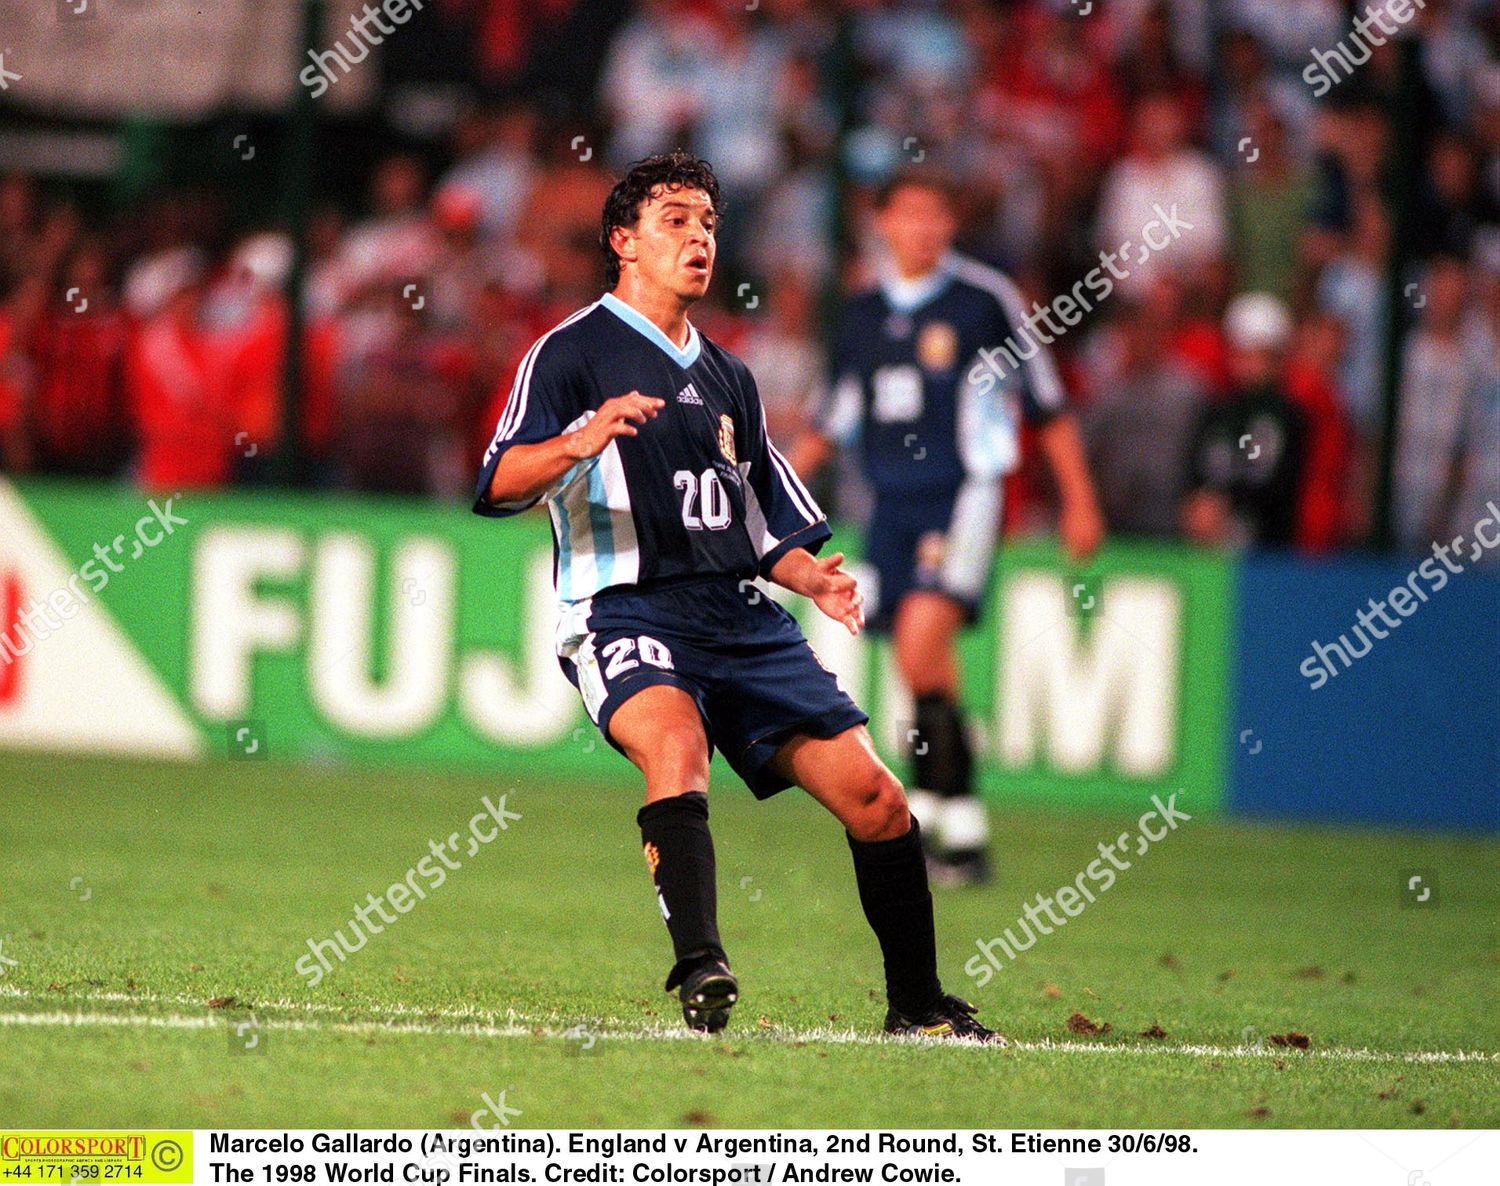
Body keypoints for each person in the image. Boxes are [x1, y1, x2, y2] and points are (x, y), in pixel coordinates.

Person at [472, 152, 1002, 1043]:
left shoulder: (728, 376)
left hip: (737, 618)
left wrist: (812, 577)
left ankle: (916, 1005)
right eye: (675, 220)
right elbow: (496, 485)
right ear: (624, 242)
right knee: (676, 750)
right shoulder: (570, 352)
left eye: (709, 224)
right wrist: (579, 442)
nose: (698, 238)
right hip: (624, 608)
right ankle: (701, 967)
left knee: (878, 800)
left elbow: (762, 525)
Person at [790, 173, 1104, 885]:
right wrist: (765, 500)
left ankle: (927, 825)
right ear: (883, 223)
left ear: (951, 224)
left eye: (936, 215)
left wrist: (1080, 499)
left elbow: (1046, 402)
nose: (923, 229)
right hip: (889, 509)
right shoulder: (863, 313)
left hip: (962, 494)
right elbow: (828, 423)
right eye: (909, 216)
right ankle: (961, 835)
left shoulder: (983, 303)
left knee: (919, 640)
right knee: (921, 668)